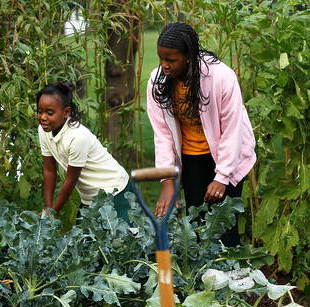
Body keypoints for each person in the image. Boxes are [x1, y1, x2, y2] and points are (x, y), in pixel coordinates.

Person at [147, 22, 257, 247]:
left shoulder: (221, 77)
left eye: (171, 59)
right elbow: (163, 134)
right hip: (192, 154)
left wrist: (222, 177)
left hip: (230, 154)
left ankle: (231, 277)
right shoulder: (157, 82)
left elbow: (232, 130)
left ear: (188, 56)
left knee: (223, 224)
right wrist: (168, 180)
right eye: (161, 58)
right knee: (198, 224)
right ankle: (206, 279)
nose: (164, 65)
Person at [37, 81, 131, 223]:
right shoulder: (44, 130)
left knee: (122, 242)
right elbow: (49, 169)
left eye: (50, 113)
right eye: (40, 111)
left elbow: (71, 180)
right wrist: (48, 207)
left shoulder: (77, 137)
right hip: (89, 198)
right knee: (85, 243)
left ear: (66, 112)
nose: (43, 117)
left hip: (115, 192)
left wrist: (54, 212)